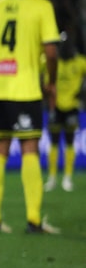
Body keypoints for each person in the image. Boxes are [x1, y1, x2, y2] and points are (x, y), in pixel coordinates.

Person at [0, 0, 61, 235]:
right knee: (29, 148)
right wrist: (51, 82)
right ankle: (34, 219)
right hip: (25, 87)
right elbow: (51, 53)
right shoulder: (42, 6)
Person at [45, 32, 86, 192]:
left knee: (69, 141)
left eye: (67, 45)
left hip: (72, 106)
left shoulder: (80, 62)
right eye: (62, 45)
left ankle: (67, 177)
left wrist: (82, 91)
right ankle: (52, 177)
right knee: (54, 142)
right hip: (55, 106)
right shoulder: (53, 63)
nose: (65, 48)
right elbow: (43, 78)